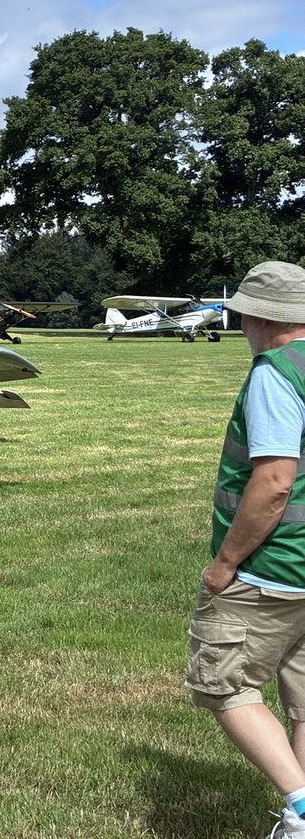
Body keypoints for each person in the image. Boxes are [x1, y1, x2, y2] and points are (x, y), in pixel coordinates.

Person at [187, 261, 305, 838]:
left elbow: (275, 481)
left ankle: (302, 806)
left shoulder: (276, 374)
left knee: (226, 685)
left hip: (273, 567)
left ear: (259, 316)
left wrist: (226, 562)